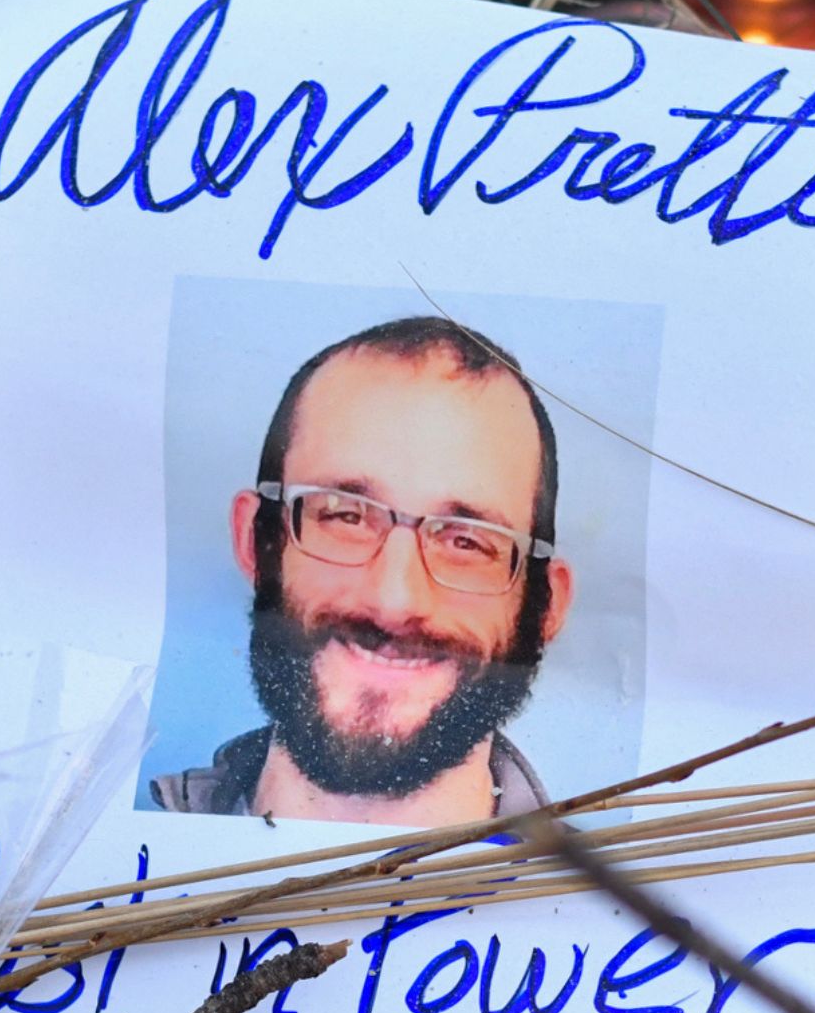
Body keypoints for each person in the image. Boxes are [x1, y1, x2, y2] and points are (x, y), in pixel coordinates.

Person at [151, 316, 575, 827]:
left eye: (466, 540)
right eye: (345, 515)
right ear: (256, 544)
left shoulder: (600, 903)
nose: (394, 601)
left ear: (546, 605)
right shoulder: (93, 845)